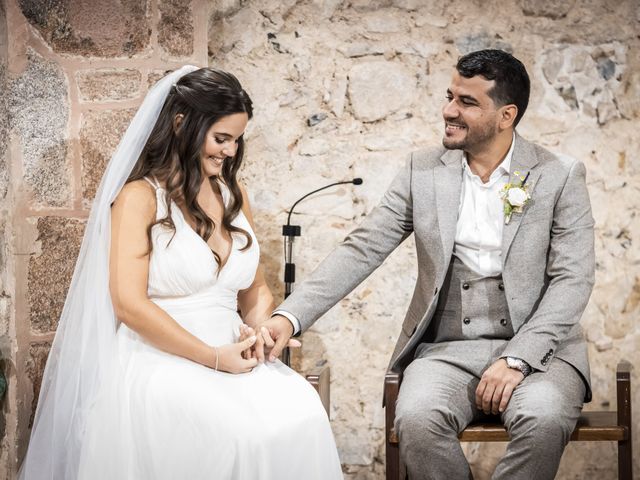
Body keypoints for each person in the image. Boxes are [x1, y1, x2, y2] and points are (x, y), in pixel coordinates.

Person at [258, 49, 594, 479]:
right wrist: (290, 317)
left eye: (467, 102)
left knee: (543, 421)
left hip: (541, 355)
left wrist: (517, 360)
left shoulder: (559, 174)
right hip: (447, 349)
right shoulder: (423, 170)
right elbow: (363, 248)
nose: (449, 111)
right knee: (416, 420)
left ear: (506, 115)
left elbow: (573, 279)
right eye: (450, 96)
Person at [19, 67, 343, 480]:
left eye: (237, 139)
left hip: (230, 352)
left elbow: (255, 289)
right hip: (160, 356)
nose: (230, 150)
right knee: (240, 435)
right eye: (221, 138)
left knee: (303, 410)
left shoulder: (232, 194)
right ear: (180, 125)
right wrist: (211, 357)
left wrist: (260, 329)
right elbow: (129, 304)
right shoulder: (139, 198)